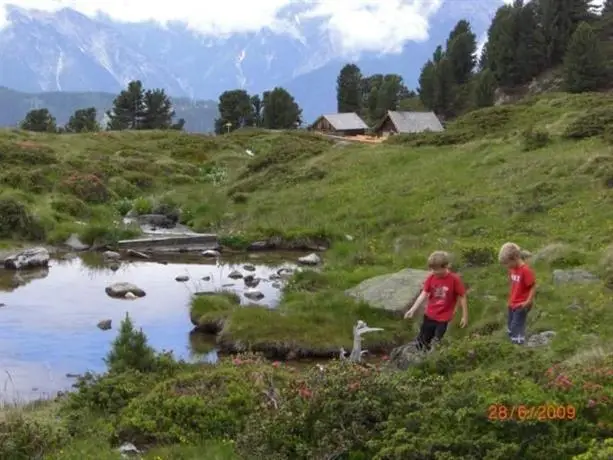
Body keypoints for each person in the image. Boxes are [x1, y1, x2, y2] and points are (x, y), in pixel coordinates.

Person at [404, 251, 468, 351]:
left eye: (437, 271)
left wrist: (464, 316)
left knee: (437, 341)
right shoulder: (431, 277)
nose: (434, 273)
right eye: (432, 270)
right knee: (422, 340)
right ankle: (420, 357)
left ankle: (433, 358)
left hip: (443, 318)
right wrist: (412, 309)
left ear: (446, 266)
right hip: (429, 315)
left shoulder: (454, 280)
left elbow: (462, 296)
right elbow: (423, 294)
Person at [498, 242, 536, 345]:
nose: (507, 266)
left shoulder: (525, 271)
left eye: (507, 263)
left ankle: (519, 346)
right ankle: (512, 344)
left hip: (522, 304)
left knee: (516, 325)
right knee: (510, 326)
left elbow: (532, 286)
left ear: (514, 257)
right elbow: (514, 285)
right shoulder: (512, 269)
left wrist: (528, 301)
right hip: (512, 303)